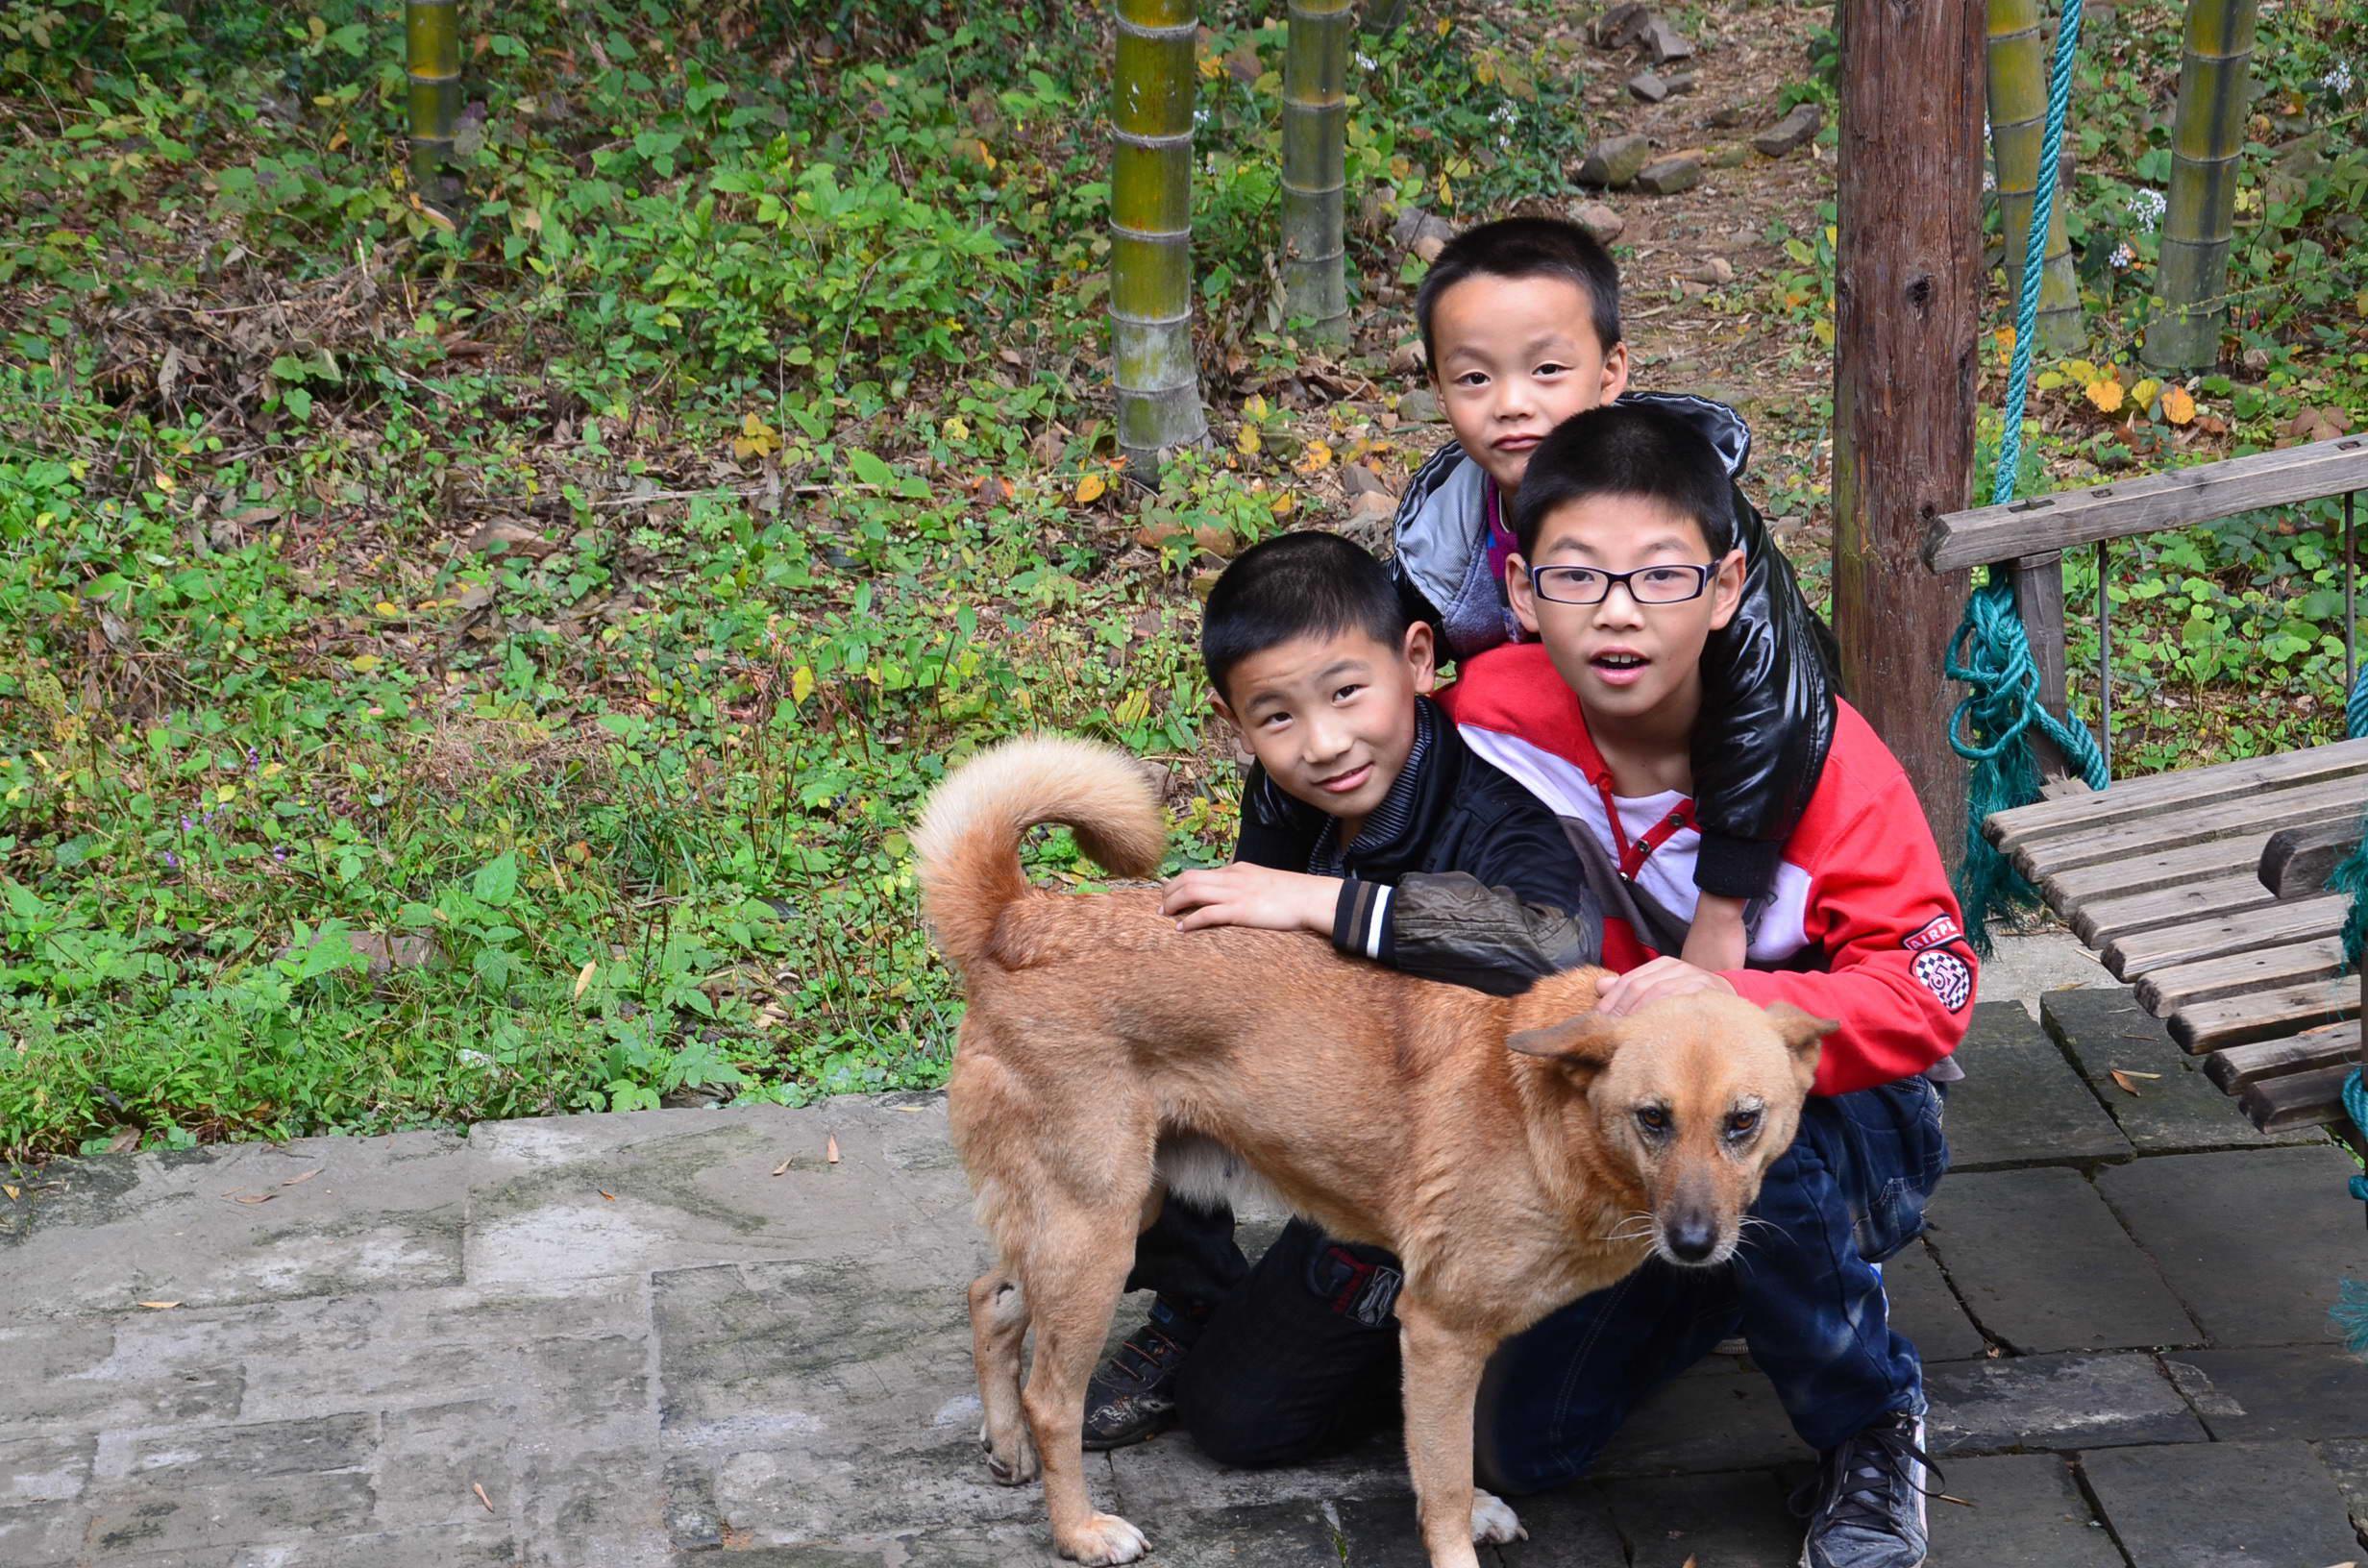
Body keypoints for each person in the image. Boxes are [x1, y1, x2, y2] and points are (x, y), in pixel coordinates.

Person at [1438, 404, 1973, 1568]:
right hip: (1641, 1115)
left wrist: (1745, 1014)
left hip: (1850, 1120)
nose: (1618, 610)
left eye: (1661, 575)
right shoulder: (1487, 720)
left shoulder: (1827, 762)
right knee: (1523, 1445)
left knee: (1751, 1128)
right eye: (1577, 576)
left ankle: (1868, 1420)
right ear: (1522, 590)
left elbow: (1935, 988)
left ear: (1726, 586)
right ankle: (1718, 1273)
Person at [1080, 528, 1602, 1454]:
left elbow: (1551, 949)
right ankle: (1197, 1295)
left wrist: (1326, 901)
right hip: (1348, 1130)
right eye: (1277, 717)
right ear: (1235, 719)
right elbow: (1238, 996)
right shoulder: (1284, 792)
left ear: (1417, 660)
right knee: (1167, 1017)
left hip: (1484, 1167)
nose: (1323, 744)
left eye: (1347, 693)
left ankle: (1424, 1327)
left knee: (1277, 1420)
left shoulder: (1500, 804)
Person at [1390, 214, 1838, 976]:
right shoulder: (1443, 531)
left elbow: (1774, 697)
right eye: (1474, 378)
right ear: (1437, 387)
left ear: (1611, 371)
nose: (1511, 403)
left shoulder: (1682, 511)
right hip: (1572, 796)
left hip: (1723, 798)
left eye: (1546, 370)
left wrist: (1723, 909)